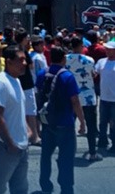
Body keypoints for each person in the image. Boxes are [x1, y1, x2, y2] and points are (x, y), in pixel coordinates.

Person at [36, 46, 86, 194]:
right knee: (66, 158)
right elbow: (75, 101)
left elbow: (37, 97)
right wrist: (82, 122)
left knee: (45, 156)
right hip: (65, 122)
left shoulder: (42, 74)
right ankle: (66, 187)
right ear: (63, 58)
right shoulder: (67, 76)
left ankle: (45, 184)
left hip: (47, 122)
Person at [0, 46, 29, 194]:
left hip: (22, 145)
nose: (25, 63)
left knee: (20, 188)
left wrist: (28, 130)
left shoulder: (16, 80)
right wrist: (9, 143)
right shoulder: (1, 83)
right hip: (6, 147)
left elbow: (18, 111)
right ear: (9, 62)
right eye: (20, 60)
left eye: (25, 59)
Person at [65, 36, 100, 161]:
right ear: (81, 46)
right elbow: (93, 74)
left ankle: (69, 151)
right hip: (88, 97)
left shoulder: (66, 59)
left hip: (71, 96)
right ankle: (92, 152)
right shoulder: (89, 60)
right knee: (91, 125)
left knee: (69, 125)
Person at [15, 30, 40, 145]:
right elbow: (31, 66)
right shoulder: (23, 51)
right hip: (27, 84)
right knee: (31, 111)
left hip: (18, 83)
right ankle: (34, 136)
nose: (28, 39)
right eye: (27, 37)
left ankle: (25, 135)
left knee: (21, 111)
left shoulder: (14, 50)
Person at [95, 40, 115, 152]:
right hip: (104, 98)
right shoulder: (101, 62)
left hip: (114, 99)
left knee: (113, 123)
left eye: (109, 49)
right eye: (106, 49)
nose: (107, 51)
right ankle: (102, 141)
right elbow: (95, 73)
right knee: (102, 121)